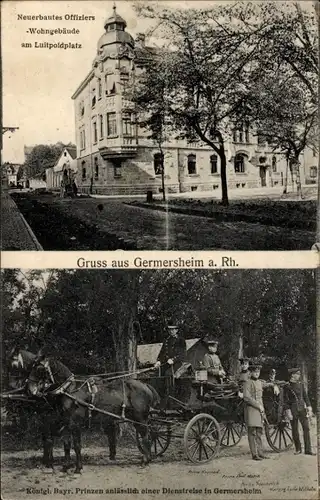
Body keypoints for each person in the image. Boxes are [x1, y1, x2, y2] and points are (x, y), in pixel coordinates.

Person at [284, 368, 315, 456]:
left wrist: (309, 407)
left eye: (299, 374)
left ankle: (308, 450)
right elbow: (285, 400)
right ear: (292, 375)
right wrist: (288, 411)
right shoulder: (287, 386)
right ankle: (298, 449)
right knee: (294, 429)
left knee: (306, 428)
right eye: (297, 374)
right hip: (292, 409)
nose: (299, 375)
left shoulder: (300, 385)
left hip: (302, 409)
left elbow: (305, 397)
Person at [154, 324, 187, 403]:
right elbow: (162, 353)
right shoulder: (166, 340)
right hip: (166, 363)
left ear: (177, 330)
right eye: (169, 330)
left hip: (177, 363)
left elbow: (183, 354)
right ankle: (159, 397)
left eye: (173, 329)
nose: (171, 331)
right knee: (157, 374)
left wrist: (173, 359)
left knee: (168, 374)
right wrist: (159, 361)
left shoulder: (181, 340)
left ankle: (170, 397)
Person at [243, 362, 269, 461]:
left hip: (259, 410)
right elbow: (246, 397)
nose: (257, 373)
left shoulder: (259, 382)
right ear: (251, 372)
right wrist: (258, 406)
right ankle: (254, 454)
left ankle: (260, 452)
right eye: (255, 372)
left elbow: (260, 397)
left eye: (258, 371)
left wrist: (262, 408)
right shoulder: (247, 382)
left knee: (259, 432)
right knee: (252, 432)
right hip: (251, 409)